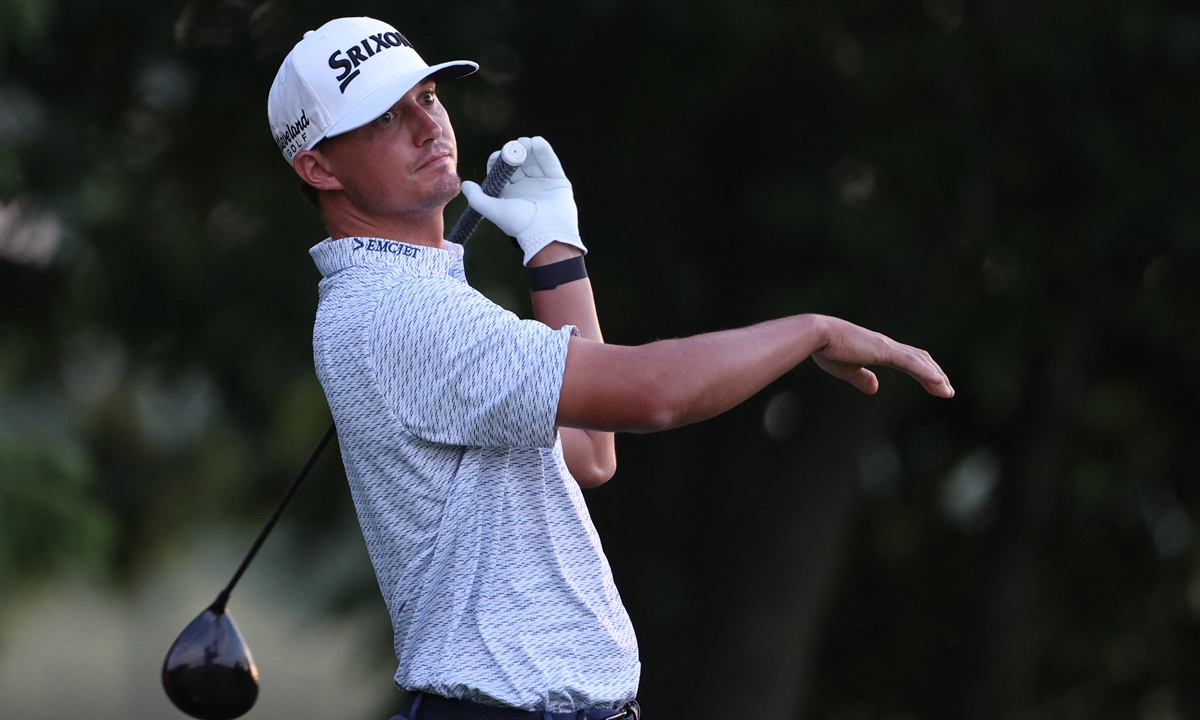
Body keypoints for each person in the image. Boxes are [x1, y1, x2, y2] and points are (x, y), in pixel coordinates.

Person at [267, 16, 953, 720]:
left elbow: (591, 451)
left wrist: (553, 250)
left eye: (428, 98)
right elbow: (651, 393)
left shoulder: (416, 298)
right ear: (318, 167)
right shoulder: (397, 312)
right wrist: (813, 329)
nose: (426, 126)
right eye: (385, 117)